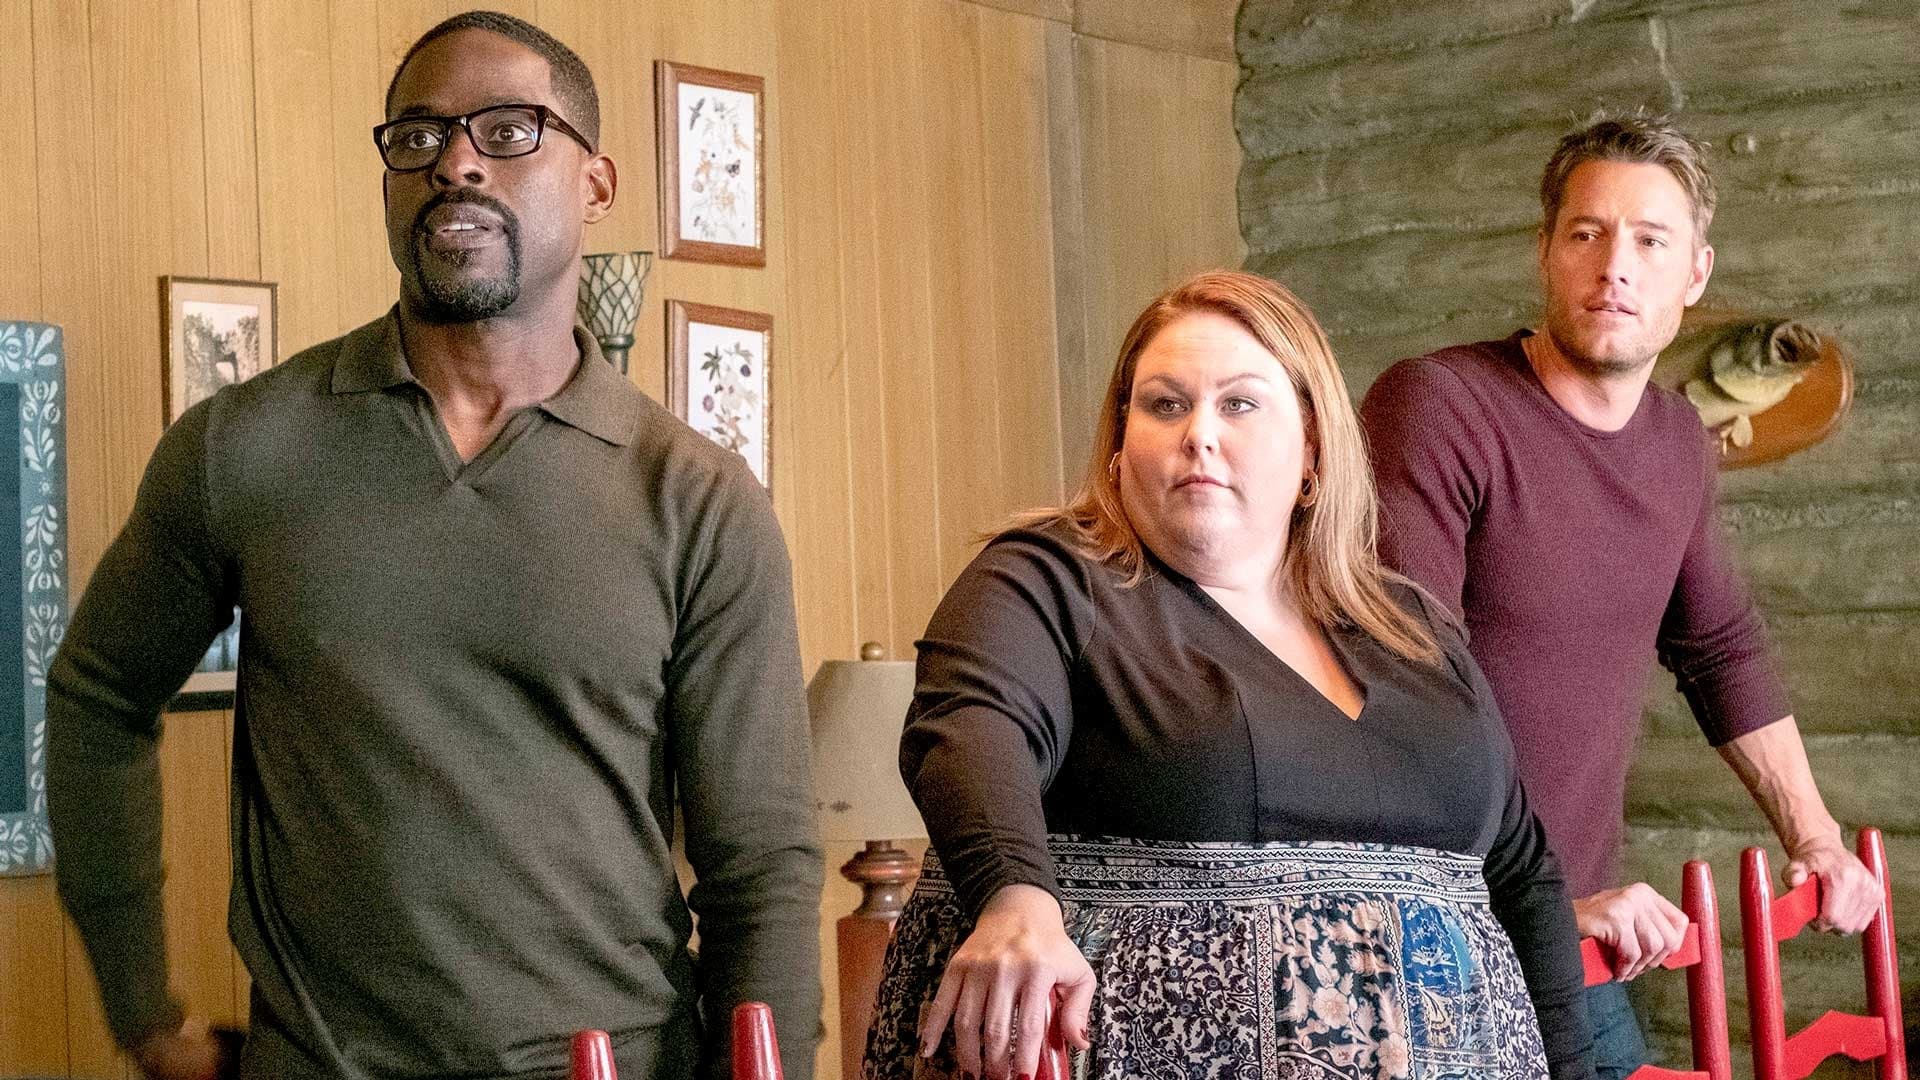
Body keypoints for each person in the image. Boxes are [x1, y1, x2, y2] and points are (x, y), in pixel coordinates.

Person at [46, 12, 820, 1080]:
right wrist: (141, 1008)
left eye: (508, 131)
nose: (455, 162)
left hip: (615, 1064)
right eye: (418, 136)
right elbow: (97, 695)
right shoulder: (246, 447)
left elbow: (759, 869)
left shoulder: (697, 499)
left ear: (595, 184)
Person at [865, 270, 1596, 1080]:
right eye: (1165, 404)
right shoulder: (1049, 578)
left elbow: (1522, 873)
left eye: (1240, 403)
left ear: (1313, 446)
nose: (1199, 434)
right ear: (1120, 442)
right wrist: (1014, 899)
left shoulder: (1412, 625)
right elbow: (971, 727)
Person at [1358, 112, 1880, 1078]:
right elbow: (1405, 677)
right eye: (1587, 233)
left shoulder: (1678, 442)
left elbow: (1720, 646)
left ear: (1696, 273)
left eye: (1649, 241)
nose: (1615, 267)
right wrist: (1545, 909)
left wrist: (1815, 838)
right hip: (1430, 937)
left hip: (1579, 936)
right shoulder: (1438, 405)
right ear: (1546, 252)